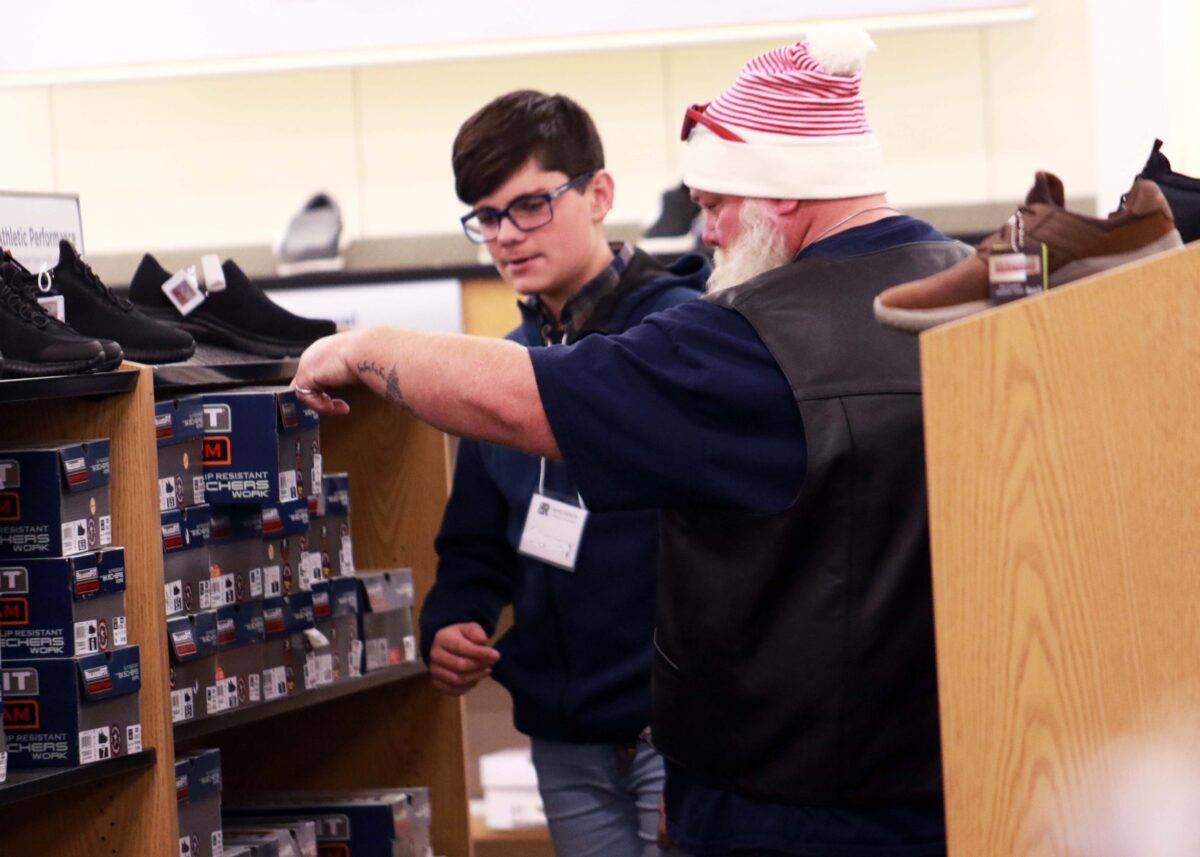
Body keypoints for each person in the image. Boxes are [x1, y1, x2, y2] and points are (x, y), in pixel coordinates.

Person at [294, 25, 967, 856]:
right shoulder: (975, 289)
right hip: (949, 772)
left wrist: (364, 346)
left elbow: (521, 402)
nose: (708, 231)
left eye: (716, 204)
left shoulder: (748, 340)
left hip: (783, 797)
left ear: (785, 193)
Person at [420, 90, 708, 857]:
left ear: (599, 194)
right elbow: (476, 543)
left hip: (679, 735)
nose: (507, 235)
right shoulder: (502, 367)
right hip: (564, 744)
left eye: (532, 205)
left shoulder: (683, 336)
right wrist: (453, 619)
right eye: (487, 216)